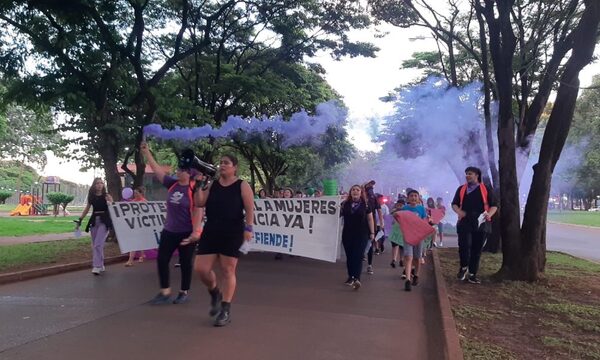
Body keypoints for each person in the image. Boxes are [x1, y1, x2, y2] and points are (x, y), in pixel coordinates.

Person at [193, 154, 254, 327]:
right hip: (211, 231)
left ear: (235, 167)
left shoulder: (242, 185)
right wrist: (199, 186)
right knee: (201, 269)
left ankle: (225, 309)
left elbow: (250, 209)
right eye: (221, 163)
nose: (222, 165)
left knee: (228, 270)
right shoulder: (212, 184)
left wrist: (248, 229)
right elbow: (199, 203)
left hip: (232, 232)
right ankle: (214, 292)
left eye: (226, 163)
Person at [140, 142, 204, 305]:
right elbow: (157, 170)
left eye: (181, 170)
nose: (178, 171)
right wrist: (147, 153)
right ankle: (165, 291)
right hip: (169, 230)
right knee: (162, 259)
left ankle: (183, 292)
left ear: (188, 173)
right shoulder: (172, 184)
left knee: (185, 263)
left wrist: (195, 232)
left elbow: (198, 209)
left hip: (186, 232)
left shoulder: (193, 188)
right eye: (178, 169)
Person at [451, 166, 497, 284]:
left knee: (477, 249)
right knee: (464, 246)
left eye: (470, 173)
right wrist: (459, 212)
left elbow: (494, 205)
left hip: (481, 222)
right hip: (465, 221)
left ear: (477, 175)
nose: (467, 176)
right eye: (466, 173)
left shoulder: (486, 189)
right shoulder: (461, 189)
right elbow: (454, 204)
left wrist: (489, 215)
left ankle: (472, 274)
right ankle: (463, 267)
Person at [340, 185, 375, 290]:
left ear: (361, 192)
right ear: (350, 192)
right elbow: (337, 215)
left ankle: (357, 278)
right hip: (347, 233)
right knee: (350, 256)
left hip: (362, 234)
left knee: (358, 256)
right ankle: (350, 276)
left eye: (357, 190)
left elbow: (370, 219)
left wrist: (372, 233)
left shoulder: (366, 205)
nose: (355, 191)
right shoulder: (344, 204)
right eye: (353, 190)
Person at [78, 178, 113, 275]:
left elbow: (113, 208)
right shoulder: (92, 197)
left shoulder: (106, 196)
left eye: (101, 183)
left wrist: (110, 202)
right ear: (94, 185)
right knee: (96, 245)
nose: (99, 185)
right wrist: (80, 219)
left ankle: (96, 266)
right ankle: (101, 265)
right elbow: (87, 209)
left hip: (104, 221)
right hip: (94, 221)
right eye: (97, 183)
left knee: (98, 244)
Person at [401, 189, 428, 291]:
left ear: (418, 198)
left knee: (417, 257)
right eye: (411, 196)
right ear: (408, 198)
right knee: (408, 256)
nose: (413, 198)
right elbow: (400, 220)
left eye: (415, 196)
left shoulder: (421, 209)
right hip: (408, 235)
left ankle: (416, 275)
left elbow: (424, 221)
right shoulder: (405, 208)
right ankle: (407, 280)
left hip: (418, 236)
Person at [125, 186, 147, 267]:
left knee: (137, 241)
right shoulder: (132, 202)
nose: (135, 194)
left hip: (142, 225)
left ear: (141, 193)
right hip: (134, 225)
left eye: (136, 193)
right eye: (134, 193)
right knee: (134, 241)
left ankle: (132, 260)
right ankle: (139, 256)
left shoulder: (144, 202)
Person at [389, 198, 405, 269]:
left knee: (402, 247)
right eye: (398, 204)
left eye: (401, 205)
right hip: (395, 230)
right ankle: (394, 260)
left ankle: (401, 260)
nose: (400, 206)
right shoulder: (394, 210)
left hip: (403, 231)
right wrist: (396, 209)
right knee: (395, 245)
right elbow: (390, 214)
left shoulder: (406, 211)